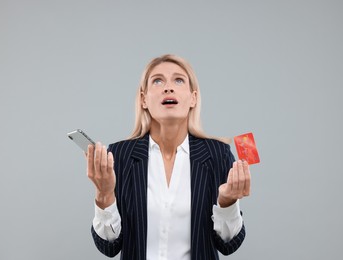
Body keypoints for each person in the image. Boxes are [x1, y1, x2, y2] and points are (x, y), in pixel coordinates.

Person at [86, 54, 251, 260]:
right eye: (157, 80)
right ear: (144, 99)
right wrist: (104, 195)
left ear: (193, 98)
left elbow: (229, 245)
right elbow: (108, 247)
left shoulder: (217, 154)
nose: (168, 87)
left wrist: (227, 203)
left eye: (178, 80)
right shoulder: (119, 155)